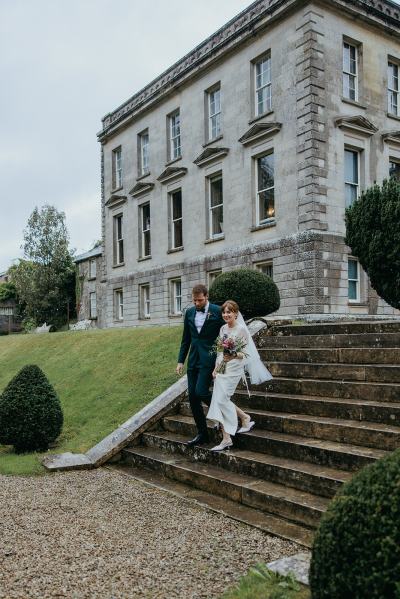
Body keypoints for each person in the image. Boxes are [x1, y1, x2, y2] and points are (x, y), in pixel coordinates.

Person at [207, 299, 273, 451]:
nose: (226, 314)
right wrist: (217, 367)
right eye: (224, 312)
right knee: (219, 400)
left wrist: (233, 354)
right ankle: (229, 434)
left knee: (222, 400)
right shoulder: (223, 329)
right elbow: (219, 350)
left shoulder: (242, 329)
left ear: (236, 313)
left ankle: (235, 427)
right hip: (223, 367)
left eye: (229, 311)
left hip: (235, 368)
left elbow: (246, 354)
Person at [176, 284, 225, 446]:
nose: (197, 303)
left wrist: (224, 354)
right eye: (194, 300)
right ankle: (202, 433)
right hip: (193, 360)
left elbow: (229, 330)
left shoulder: (218, 311)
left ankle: (223, 414)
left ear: (207, 296)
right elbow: (186, 339)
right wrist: (180, 360)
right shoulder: (189, 312)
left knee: (201, 391)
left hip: (209, 359)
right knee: (192, 398)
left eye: (200, 300)